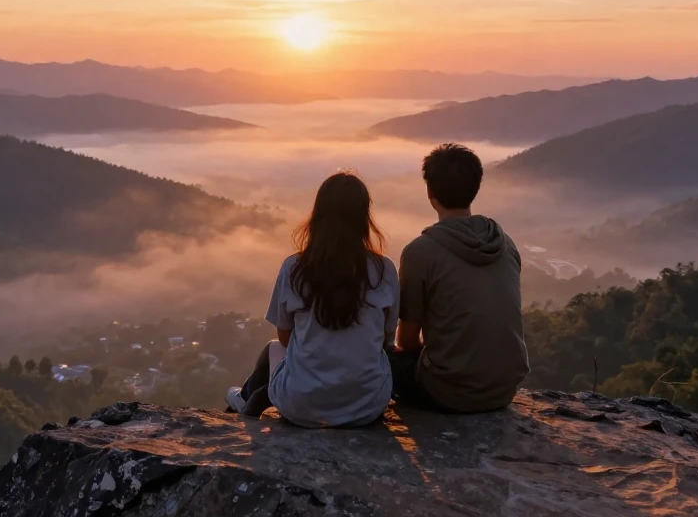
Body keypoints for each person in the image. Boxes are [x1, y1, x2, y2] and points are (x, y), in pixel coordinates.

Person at [226, 171, 399, 427]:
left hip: (301, 407)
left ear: (318, 215)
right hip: (367, 407)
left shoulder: (295, 268)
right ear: (363, 217)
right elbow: (386, 340)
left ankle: (248, 398)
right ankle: (255, 395)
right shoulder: (384, 270)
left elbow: (285, 338)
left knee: (273, 348)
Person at [392, 143, 529, 412]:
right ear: (475, 187)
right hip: (504, 389)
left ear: (429, 192)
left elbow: (406, 341)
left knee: (378, 359)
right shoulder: (505, 243)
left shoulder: (419, 252)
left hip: (447, 391)